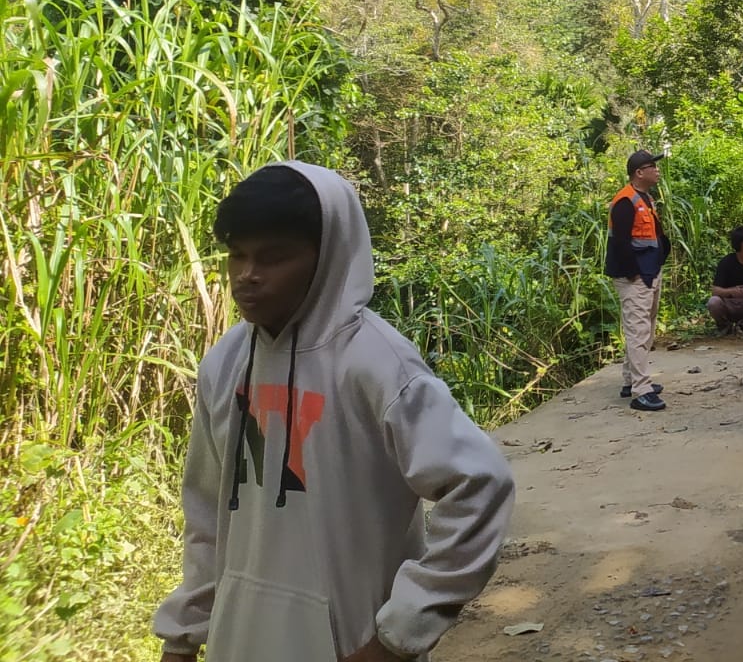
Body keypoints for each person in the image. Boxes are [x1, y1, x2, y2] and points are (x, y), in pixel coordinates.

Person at [153, 163, 514, 662]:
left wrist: (399, 634)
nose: (247, 276)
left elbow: (480, 485)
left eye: (274, 257)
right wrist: (182, 636)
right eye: (236, 256)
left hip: (350, 638)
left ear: (328, 258)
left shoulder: (376, 364)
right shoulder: (226, 362)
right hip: (242, 633)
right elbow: (207, 512)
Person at [605, 149, 670, 412]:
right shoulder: (625, 201)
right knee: (638, 330)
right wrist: (634, 274)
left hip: (649, 271)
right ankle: (641, 390)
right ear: (639, 173)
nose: (657, 170)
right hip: (635, 276)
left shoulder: (646, 198)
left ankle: (631, 379)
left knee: (644, 328)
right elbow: (620, 242)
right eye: (652, 167)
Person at [707, 225, 743, 333]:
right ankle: (725, 326)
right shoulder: (726, 262)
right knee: (713, 302)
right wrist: (732, 292)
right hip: (729, 303)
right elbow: (715, 290)